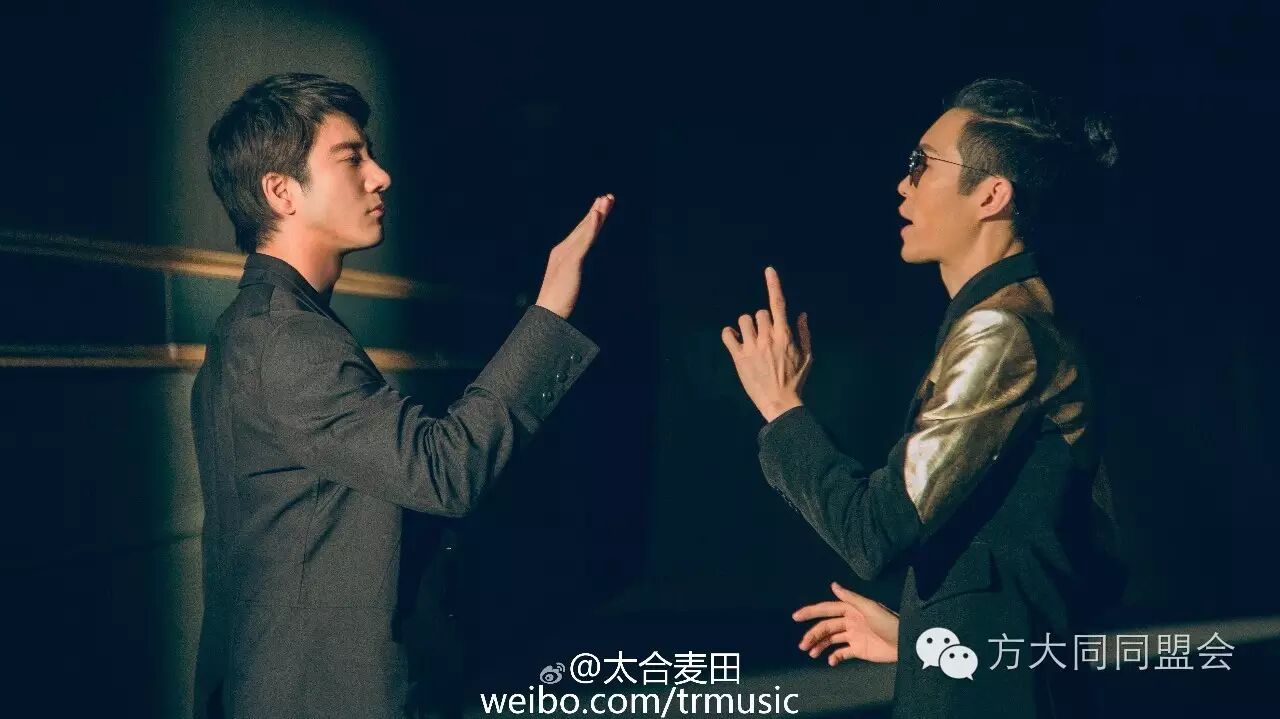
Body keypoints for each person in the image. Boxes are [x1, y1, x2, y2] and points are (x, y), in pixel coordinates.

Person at [190, 73, 612, 718]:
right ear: (281, 191)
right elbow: (445, 471)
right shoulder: (282, 338)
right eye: (351, 158)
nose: (380, 176)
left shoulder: (266, 326)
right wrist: (551, 308)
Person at [721, 78, 1125, 717]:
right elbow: (1037, 547)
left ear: (991, 195)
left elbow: (873, 530)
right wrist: (927, 636)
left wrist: (782, 408)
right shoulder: (1009, 321)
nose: (902, 185)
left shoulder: (1001, 332)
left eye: (922, 163)